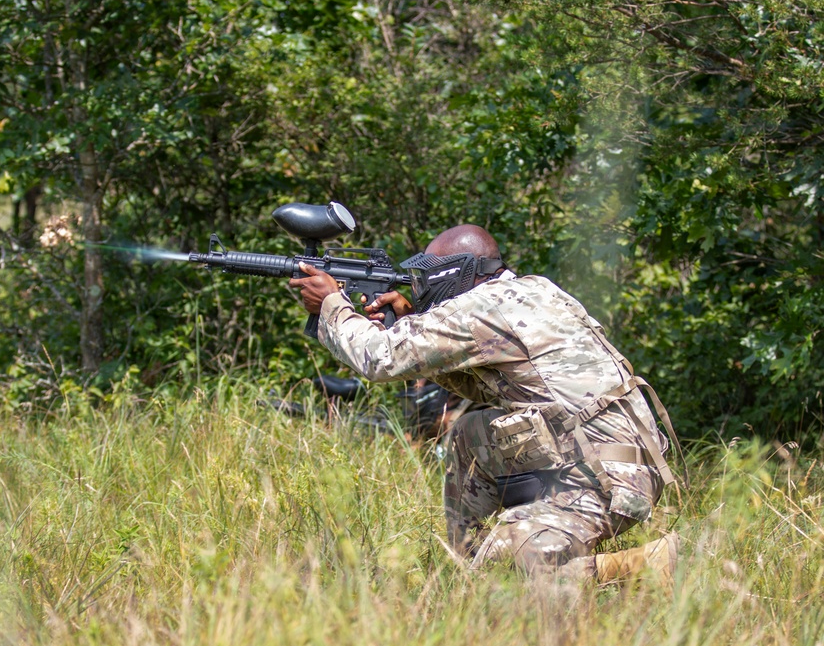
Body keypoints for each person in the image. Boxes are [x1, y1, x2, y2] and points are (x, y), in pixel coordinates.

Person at [288, 224, 682, 585]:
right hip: (619, 456)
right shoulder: (533, 290)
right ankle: (470, 554)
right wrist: (405, 322)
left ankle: (644, 564)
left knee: (499, 572)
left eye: (429, 273)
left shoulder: (480, 307)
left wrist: (332, 305)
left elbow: (376, 357)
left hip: (604, 476)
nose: (421, 284)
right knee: (470, 433)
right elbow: (486, 384)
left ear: (457, 271)